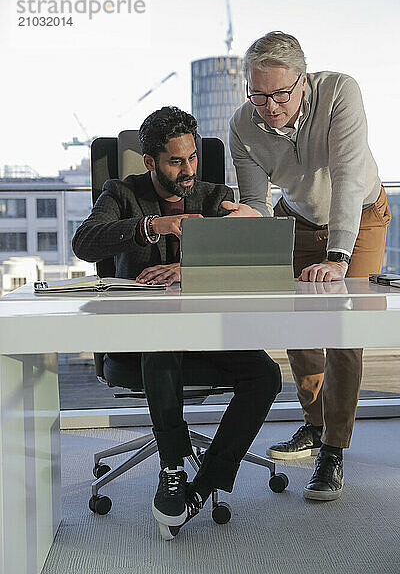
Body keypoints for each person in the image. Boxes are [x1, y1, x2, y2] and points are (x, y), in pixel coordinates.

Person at [72, 106, 281, 535]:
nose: (187, 170)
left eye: (192, 158)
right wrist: (154, 225)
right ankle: (172, 465)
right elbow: (85, 242)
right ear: (150, 161)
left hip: (206, 341)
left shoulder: (211, 196)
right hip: (139, 351)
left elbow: (249, 261)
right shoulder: (121, 193)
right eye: (175, 161)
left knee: (266, 375)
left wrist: (191, 269)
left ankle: (201, 488)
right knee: (160, 338)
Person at [225, 32, 391, 501]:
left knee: (342, 328)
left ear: (303, 80)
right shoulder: (243, 125)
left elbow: (345, 178)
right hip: (297, 219)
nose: (270, 106)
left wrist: (337, 257)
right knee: (298, 324)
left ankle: (334, 451)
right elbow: (257, 203)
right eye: (258, 95)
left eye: (281, 94)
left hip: (359, 214)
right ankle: (313, 426)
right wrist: (242, 232)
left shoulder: (340, 91)